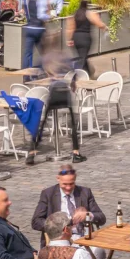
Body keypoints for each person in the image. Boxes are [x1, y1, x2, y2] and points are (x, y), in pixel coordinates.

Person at [27, 35, 86, 166]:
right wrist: (73, 83)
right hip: (64, 92)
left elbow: (37, 70)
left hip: (53, 92)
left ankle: (32, 153)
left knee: (42, 124)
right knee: (72, 123)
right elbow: (74, 70)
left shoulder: (45, 57)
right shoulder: (63, 55)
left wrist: (48, 75)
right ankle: (75, 153)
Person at [31, 164, 107, 247]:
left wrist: (88, 215)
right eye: (65, 184)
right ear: (58, 179)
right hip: (60, 240)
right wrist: (58, 226)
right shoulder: (48, 194)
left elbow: (101, 218)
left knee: (99, 252)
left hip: (83, 237)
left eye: (71, 184)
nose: (68, 187)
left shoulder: (85, 192)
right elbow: (36, 222)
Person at [38, 212, 110, 259]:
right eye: (71, 224)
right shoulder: (79, 254)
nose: (72, 226)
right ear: (66, 230)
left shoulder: (41, 253)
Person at [67, 0, 106, 76]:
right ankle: (76, 75)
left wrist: (69, 39)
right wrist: (105, 27)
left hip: (76, 38)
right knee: (82, 58)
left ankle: (88, 73)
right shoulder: (89, 14)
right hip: (85, 38)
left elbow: (71, 28)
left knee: (82, 56)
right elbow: (99, 24)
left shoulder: (75, 14)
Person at [23, 0, 48, 69]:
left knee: (28, 54)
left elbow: (29, 14)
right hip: (39, 29)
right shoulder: (41, 0)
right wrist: (49, 16)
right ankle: (41, 71)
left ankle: (26, 77)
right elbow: (41, 15)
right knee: (45, 53)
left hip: (29, 28)